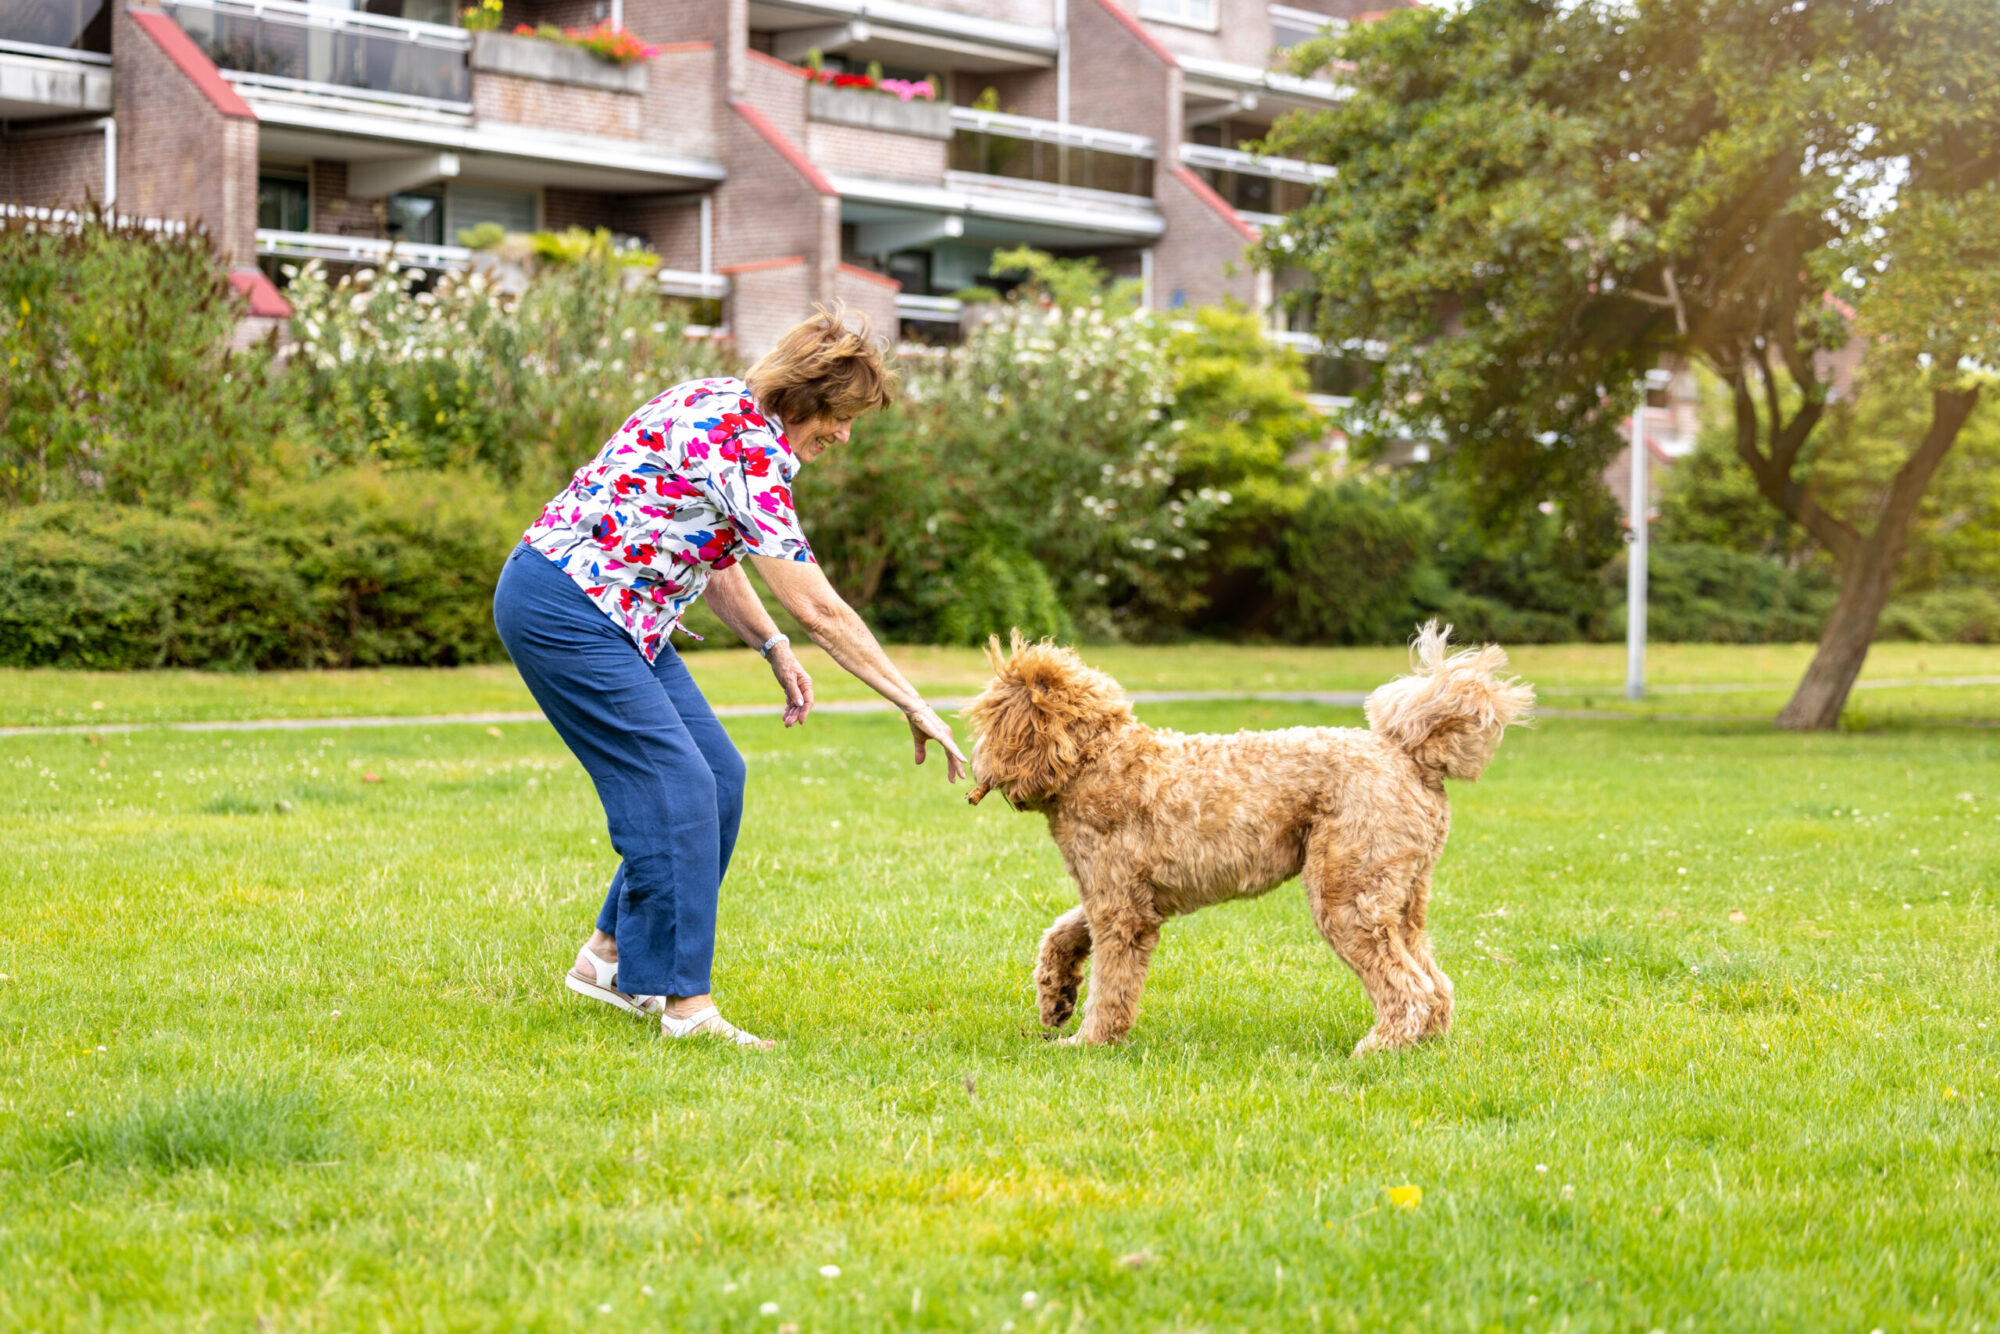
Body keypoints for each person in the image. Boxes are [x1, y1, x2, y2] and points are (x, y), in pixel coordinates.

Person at [492, 304, 968, 1047]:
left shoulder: (715, 402)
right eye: (841, 417)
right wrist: (915, 703)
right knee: (676, 788)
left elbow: (712, 557)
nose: (844, 435)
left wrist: (771, 647)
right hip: (567, 609)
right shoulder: (743, 445)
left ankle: (607, 960)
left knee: (718, 774)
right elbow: (823, 610)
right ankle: (686, 1007)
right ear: (804, 397)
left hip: (627, 619)